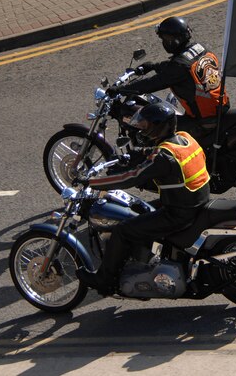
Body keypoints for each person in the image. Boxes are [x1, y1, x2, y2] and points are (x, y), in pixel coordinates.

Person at [76, 103, 211, 295]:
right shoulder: (184, 139)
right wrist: (140, 154)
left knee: (123, 229)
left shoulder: (164, 157)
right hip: (195, 200)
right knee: (140, 211)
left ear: (157, 127)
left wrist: (92, 182)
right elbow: (157, 157)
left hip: (179, 212)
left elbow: (129, 178)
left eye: (146, 125)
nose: (142, 128)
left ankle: (104, 280)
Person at [111, 16, 230, 141]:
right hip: (218, 107)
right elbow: (179, 65)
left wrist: (121, 90)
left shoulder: (179, 66)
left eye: (165, 39)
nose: (164, 42)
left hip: (204, 121)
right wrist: (153, 66)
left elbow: (152, 83)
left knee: (158, 130)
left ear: (175, 40)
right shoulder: (200, 48)